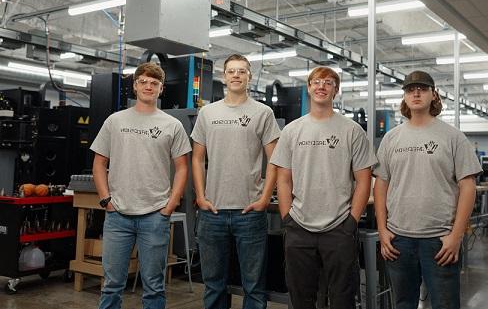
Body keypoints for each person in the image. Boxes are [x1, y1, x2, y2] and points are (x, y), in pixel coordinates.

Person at [373, 70, 482, 309]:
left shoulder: (453, 137)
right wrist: (382, 229)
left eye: (422, 88)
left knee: (445, 304)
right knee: (402, 304)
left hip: (439, 240)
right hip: (398, 239)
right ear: (404, 97)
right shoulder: (391, 139)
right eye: (410, 90)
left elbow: (468, 186)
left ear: (434, 95)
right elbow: (381, 184)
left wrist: (456, 235)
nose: (416, 93)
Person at [271, 66, 377, 309]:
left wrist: (351, 221)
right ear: (309, 88)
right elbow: (283, 178)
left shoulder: (352, 131)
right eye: (316, 81)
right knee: (301, 298)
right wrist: (287, 218)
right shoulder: (291, 131)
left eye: (328, 82)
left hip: (339, 229)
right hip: (299, 227)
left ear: (336, 90)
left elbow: (364, 180)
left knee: (342, 298)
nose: (322, 86)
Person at [91, 62, 192, 309]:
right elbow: (99, 163)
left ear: (161, 89)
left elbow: (182, 168)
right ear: (135, 86)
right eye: (144, 82)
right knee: (112, 284)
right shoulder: (114, 121)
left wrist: (171, 204)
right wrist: (106, 200)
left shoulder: (172, 125)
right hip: (118, 217)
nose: (149, 86)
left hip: (154, 217)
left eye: (154, 83)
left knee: (154, 287)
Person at [191, 54, 281, 309]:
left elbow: (275, 160)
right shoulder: (207, 113)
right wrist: (200, 197)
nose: (236, 75)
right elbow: (197, 159)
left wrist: (264, 198)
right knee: (214, 285)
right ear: (224, 76)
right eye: (231, 71)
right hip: (212, 212)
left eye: (242, 71)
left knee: (253, 286)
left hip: (249, 212)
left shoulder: (263, 113)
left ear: (249, 76)